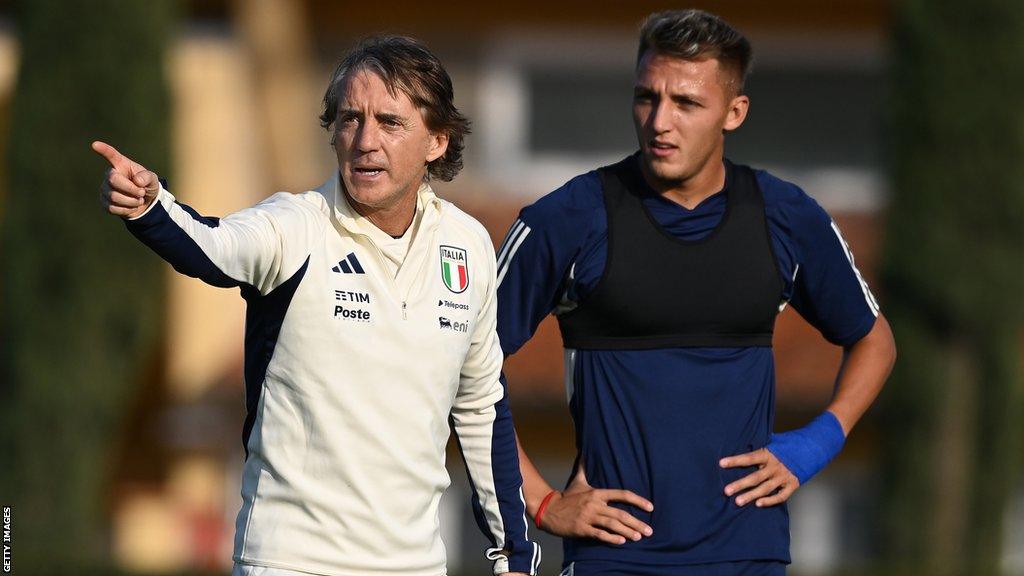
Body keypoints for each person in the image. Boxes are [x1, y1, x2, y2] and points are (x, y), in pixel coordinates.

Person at [94, 35, 539, 576]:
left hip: (415, 565)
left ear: (437, 141)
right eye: (350, 119)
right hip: (289, 560)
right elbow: (210, 246)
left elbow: (481, 407)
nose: (365, 140)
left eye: (390, 123)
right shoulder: (294, 225)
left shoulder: (467, 244)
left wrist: (513, 553)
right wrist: (151, 206)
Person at [497, 9, 897, 576]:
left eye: (686, 103)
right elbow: (460, 368)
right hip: (614, 561)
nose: (660, 121)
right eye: (646, 97)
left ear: (734, 113)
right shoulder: (568, 220)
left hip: (750, 557)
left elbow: (874, 341)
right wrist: (540, 500)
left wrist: (817, 442)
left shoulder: (785, 217)